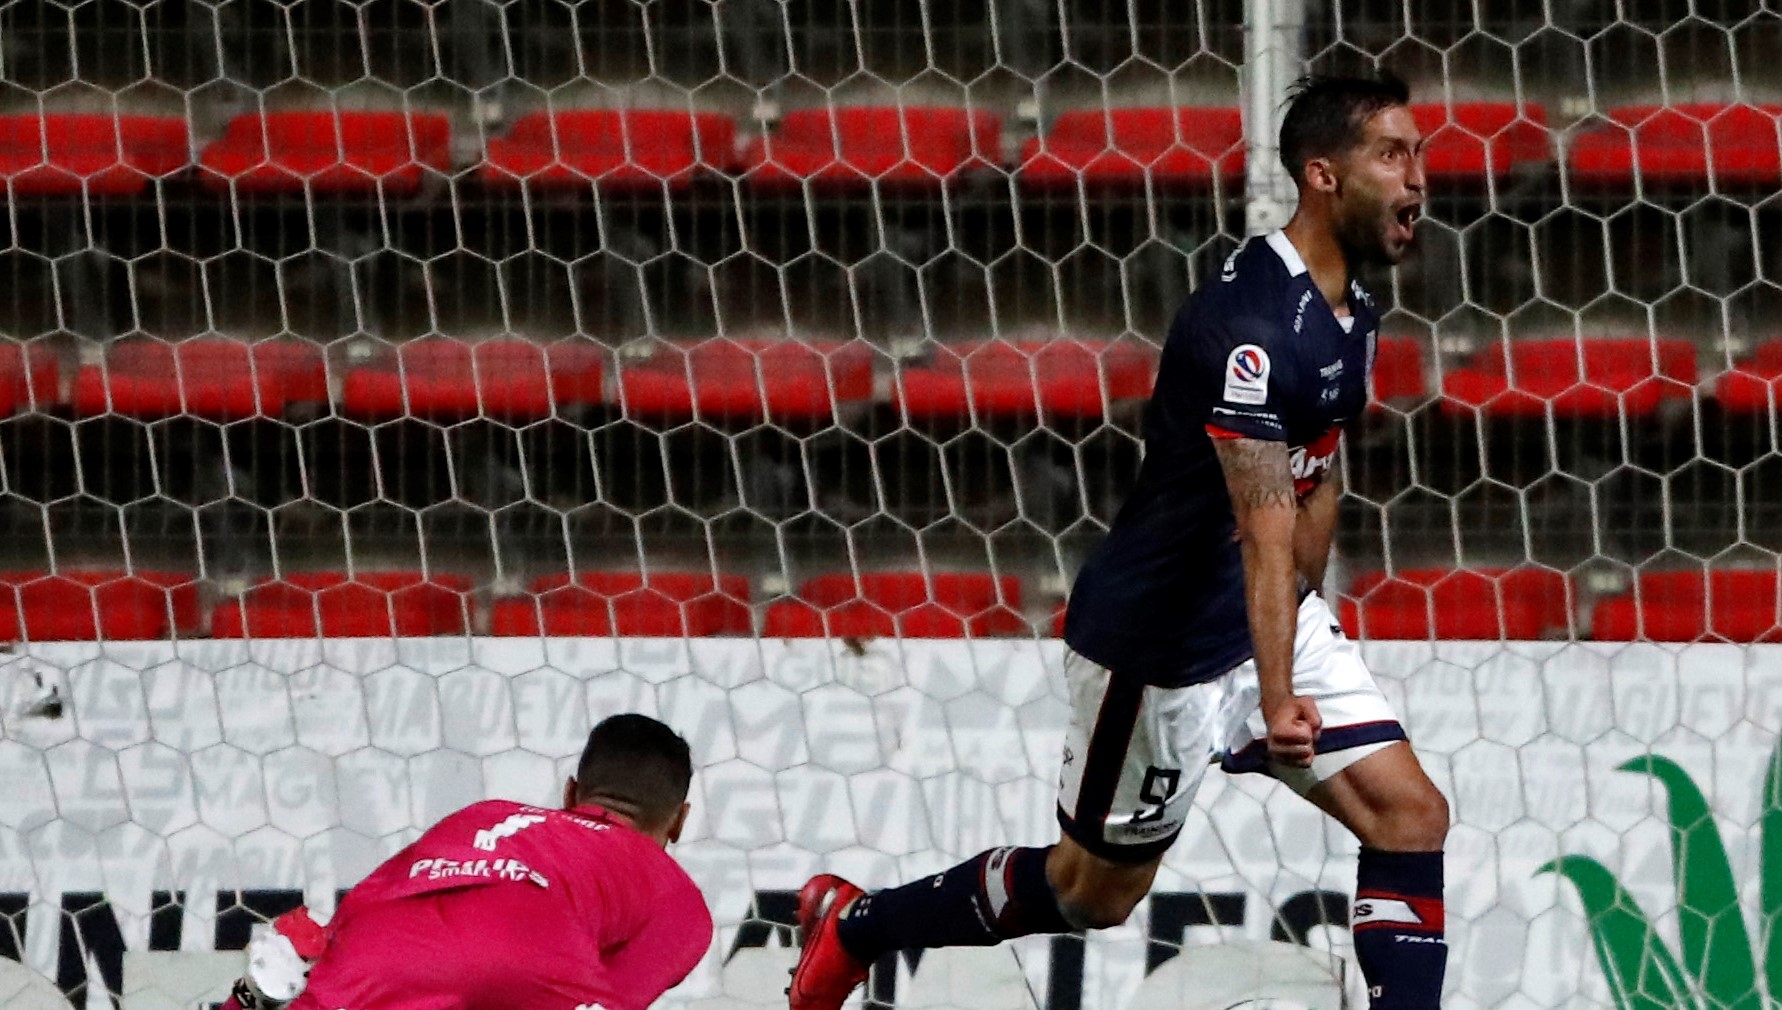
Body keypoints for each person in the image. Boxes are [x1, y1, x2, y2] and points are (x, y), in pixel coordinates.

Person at [789, 74, 1450, 1010]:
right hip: (1160, 647)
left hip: (1265, 619)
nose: (1419, 177)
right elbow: (1262, 524)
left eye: (1419, 153)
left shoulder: (1355, 315)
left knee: (1412, 816)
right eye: (1393, 154)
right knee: (1089, 893)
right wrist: (1276, 695)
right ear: (1323, 176)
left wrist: (1306, 630)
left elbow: (1317, 481)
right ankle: (856, 925)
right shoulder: (1251, 327)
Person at [228, 713, 712, 1010]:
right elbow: (615, 997)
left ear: (569, 793)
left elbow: (378, 895)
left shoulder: (487, 814)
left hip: (391, 936)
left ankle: (253, 998)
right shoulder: (675, 895)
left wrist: (329, 954)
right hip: (532, 939)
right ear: (679, 821)